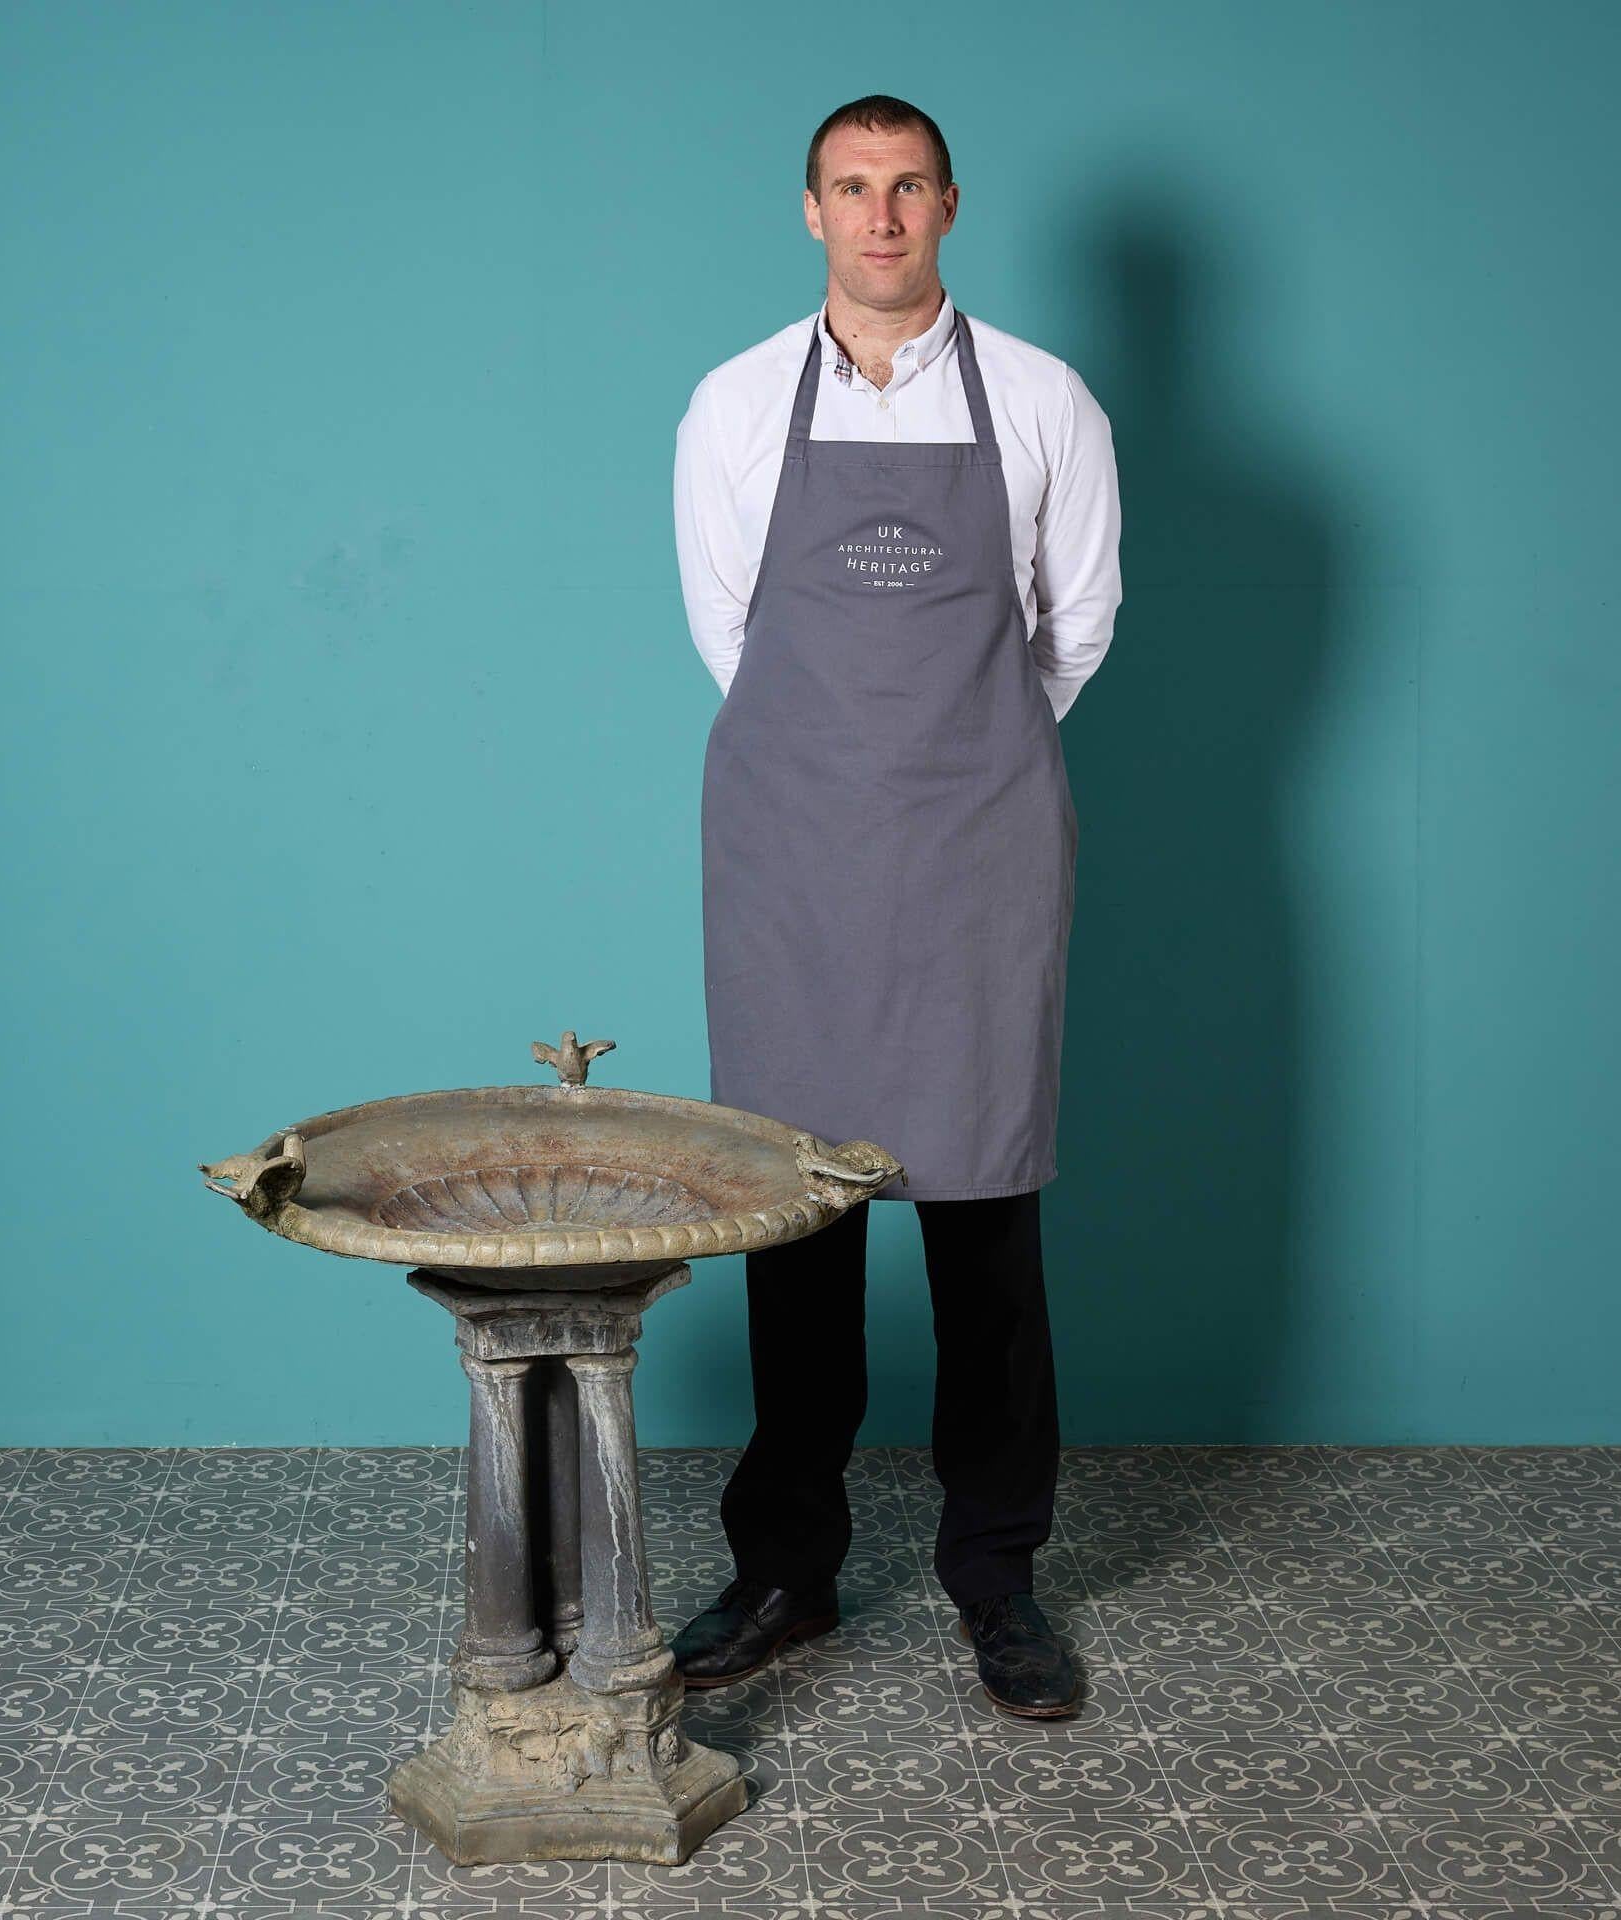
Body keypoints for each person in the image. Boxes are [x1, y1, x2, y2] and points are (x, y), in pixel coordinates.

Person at [668, 95, 1122, 1719]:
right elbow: (730, 629)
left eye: (907, 186)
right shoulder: (734, 404)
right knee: (796, 1220)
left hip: (980, 847)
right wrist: (846, 766)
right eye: (852, 188)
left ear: (948, 207)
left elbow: (1076, 624)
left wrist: (959, 757)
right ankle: (788, 1566)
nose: (881, 215)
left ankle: (999, 1577)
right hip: (794, 853)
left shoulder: (1047, 400)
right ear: (812, 212)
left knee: (986, 1226)